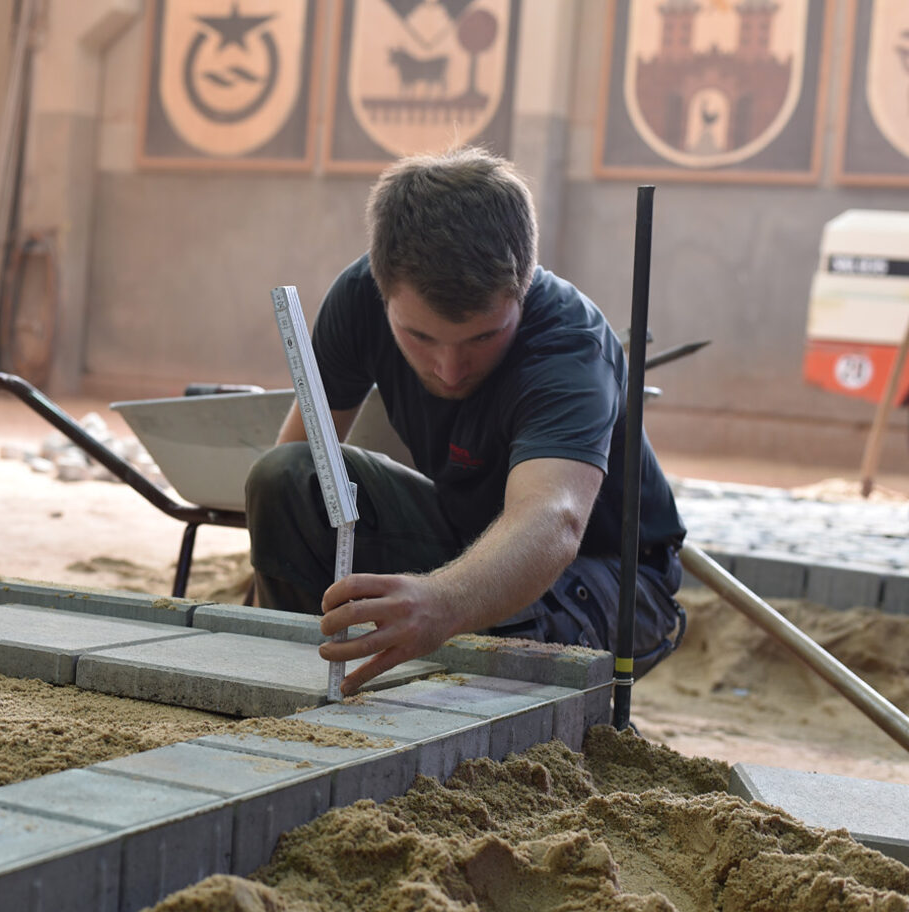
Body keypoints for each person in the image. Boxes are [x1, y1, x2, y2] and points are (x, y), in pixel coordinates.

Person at [245, 146, 686, 696]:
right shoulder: (358, 298)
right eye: (420, 337)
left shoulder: (569, 344)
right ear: (384, 293)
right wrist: (268, 573)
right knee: (286, 477)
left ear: (521, 292)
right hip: (463, 535)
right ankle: (309, 693)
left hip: (612, 579)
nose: (449, 370)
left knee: (494, 623)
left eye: (483, 337)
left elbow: (553, 519)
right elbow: (301, 461)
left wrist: (445, 602)